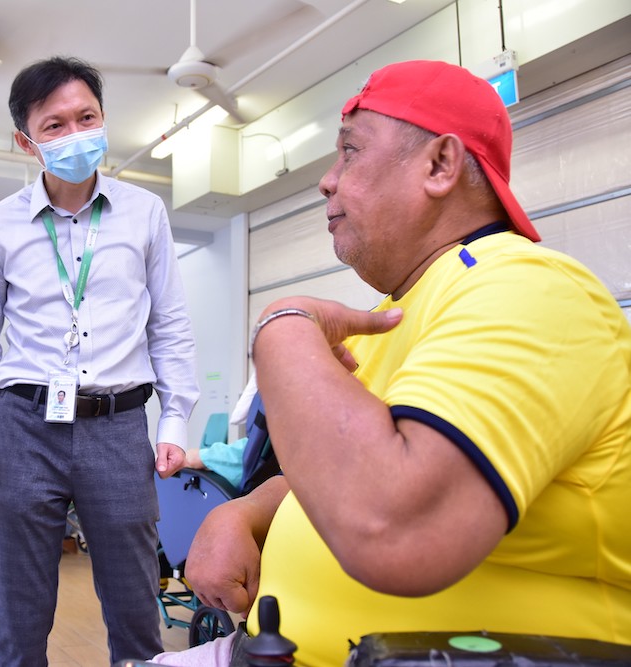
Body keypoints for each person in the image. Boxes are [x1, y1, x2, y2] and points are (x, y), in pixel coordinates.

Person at [147, 60, 631, 667]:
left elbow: (397, 528)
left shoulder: (531, 289)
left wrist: (280, 332)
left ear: (440, 165)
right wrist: (241, 513)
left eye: (349, 152)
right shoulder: (392, 315)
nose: (327, 181)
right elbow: (338, 466)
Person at [0, 56, 200, 666]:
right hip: (26, 426)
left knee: (135, 600)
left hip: (118, 425)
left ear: (105, 120)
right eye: (54, 125)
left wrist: (174, 422)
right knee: (21, 606)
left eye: (86, 117)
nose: (75, 134)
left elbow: (170, 324)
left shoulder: (144, 214)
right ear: (25, 140)